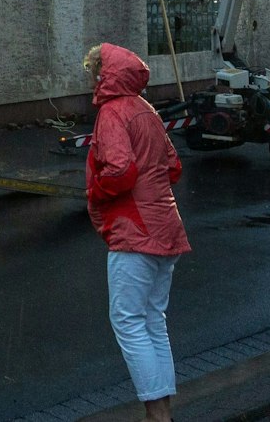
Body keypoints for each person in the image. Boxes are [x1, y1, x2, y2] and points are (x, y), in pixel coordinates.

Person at [85, 43, 190, 422]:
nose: (92, 78)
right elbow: (173, 166)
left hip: (134, 232)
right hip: (166, 226)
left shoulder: (112, 113)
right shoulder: (146, 110)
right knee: (152, 320)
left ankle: (156, 415)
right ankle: (162, 413)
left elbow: (120, 171)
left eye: (95, 71)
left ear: (105, 74)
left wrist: (95, 191)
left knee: (128, 322)